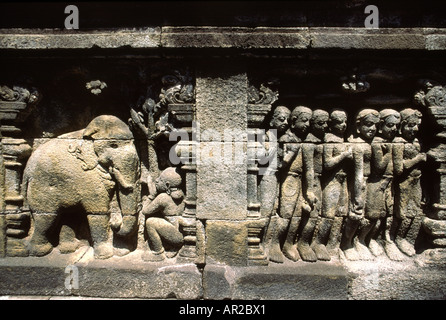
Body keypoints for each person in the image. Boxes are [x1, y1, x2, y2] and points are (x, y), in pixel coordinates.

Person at [269, 106, 312, 263]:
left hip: (298, 180)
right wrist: (292, 152)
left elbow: (309, 170)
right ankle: (274, 243)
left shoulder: (299, 140)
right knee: (286, 215)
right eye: (304, 120)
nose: (308, 125)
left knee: (297, 216)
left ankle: (288, 243)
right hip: (288, 180)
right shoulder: (285, 138)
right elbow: (280, 165)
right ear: (294, 122)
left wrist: (310, 190)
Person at [360, 109, 402, 260]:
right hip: (376, 184)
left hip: (387, 184)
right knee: (372, 215)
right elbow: (379, 166)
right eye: (390, 125)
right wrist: (390, 152)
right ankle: (361, 239)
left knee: (385, 214)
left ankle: (376, 239)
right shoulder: (378, 143)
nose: (394, 129)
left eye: (396, 126)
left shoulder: (386, 142)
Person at [312, 109, 352, 261]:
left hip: (343, 180)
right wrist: (344, 155)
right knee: (328, 215)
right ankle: (318, 242)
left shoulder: (343, 138)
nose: (343, 125)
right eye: (339, 122)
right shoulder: (329, 139)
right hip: (332, 181)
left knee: (341, 213)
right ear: (331, 124)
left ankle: (333, 243)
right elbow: (327, 163)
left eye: (345, 122)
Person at [341, 109, 380, 260]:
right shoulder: (358, 146)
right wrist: (357, 194)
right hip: (360, 182)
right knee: (356, 214)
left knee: (374, 214)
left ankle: (362, 240)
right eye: (369, 124)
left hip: (374, 182)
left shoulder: (372, 143)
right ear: (358, 127)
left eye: (375, 125)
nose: (373, 129)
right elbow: (358, 173)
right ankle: (346, 243)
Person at [392, 108, 426, 257]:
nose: (415, 129)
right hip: (404, 182)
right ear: (401, 126)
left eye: (417, 125)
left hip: (416, 181)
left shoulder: (416, 142)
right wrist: (417, 159)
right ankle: (397, 238)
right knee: (403, 212)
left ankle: (407, 238)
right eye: (410, 125)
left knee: (416, 211)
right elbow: (399, 168)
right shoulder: (398, 143)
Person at [298, 109, 329, 262]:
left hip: (325, 179)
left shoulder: (323, 140)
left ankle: (317, 242)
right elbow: (309, 168)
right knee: (312, 215)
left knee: (324, 214)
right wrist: (309, 190)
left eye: (326, 123)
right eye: (320, 123)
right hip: (312, 181)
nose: (324, 126)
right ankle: (303, 243)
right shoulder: (309, 143)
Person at [141, 167, 184, 261]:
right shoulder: (183, 195)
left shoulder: (163, 198)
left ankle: (158, 253)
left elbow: (145, 211)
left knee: (150, 222)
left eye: (160, 179)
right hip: (183, 234)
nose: (156, 180)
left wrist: (151, 195)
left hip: (175, 237)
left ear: (167, 185)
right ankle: (172, 246)